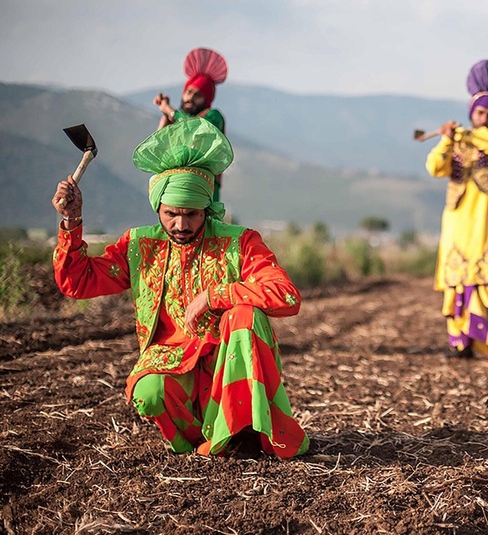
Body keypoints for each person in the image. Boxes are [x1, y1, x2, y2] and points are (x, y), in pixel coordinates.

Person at [51, 117, 309, 459]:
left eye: (193, 215)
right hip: (173, 364)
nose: (182, 225)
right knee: (149, 391)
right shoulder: (140, 246)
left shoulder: (240, 243)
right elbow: (78, 281)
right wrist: (71, 221)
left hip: (225, 364)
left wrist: (217, 295)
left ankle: (245, 430)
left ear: (208, 210)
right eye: (172, 214)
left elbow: (286, 295)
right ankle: (204, 445)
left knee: (245, 317)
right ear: (157, 206)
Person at [425, 59, 488, 365]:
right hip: (457, 225)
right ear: (471, 111)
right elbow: (435, 167)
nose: (485, 117)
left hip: (487, 225)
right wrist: (445, 140)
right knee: (457, 285)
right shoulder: (455, 142)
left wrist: (465, 133)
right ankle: (459, 342)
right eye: (480, 112)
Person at [154, 47, 229, 201]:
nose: (190, 98)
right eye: (189, 92)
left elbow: (196, 127)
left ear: (207, 100)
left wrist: (170, 110)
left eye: (198, 95)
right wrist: (165, 124)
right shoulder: (179, 121)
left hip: (204, 189)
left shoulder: (214, 117)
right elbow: (158, 153)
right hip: (176, 189)